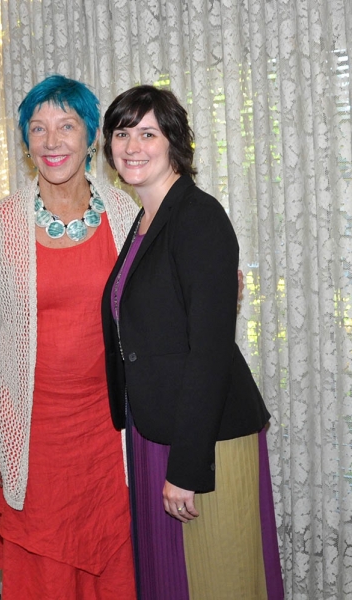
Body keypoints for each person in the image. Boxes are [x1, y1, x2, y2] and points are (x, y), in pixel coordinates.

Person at [102, 85, 284, 600]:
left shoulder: (198, 216)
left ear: (173, 142)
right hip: (159, 427)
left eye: (148, 133)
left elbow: (208, 352)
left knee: (217, 579)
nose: (132, 146)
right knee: (171, 581)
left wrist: (186, 469)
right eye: (122, 134)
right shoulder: (144, 220)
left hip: (205, 440)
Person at [0, 75, 138, 599]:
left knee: (111, 554)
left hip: (108, 433)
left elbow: (157, 305)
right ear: (27, 142)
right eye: (37, 128)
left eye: (66, 125)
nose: (51, 140)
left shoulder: (126, 215)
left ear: (91, 137)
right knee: (42, 569)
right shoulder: (3, 223)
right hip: (32, 432)